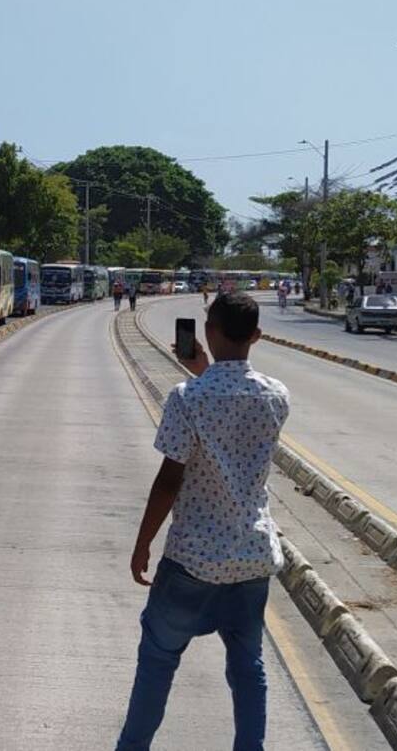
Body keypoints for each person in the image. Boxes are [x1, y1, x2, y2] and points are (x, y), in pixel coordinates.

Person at [115, 292, 289, 751]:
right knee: (248, 667)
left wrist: (142, 544)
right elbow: (234, 416)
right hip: (252, 557)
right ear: (256, 336)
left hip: (192, 559)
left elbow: (170, 479)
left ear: (208, 331)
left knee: (157, 659)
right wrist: (207, 370)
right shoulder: (276, 397)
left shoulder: (187, 398)